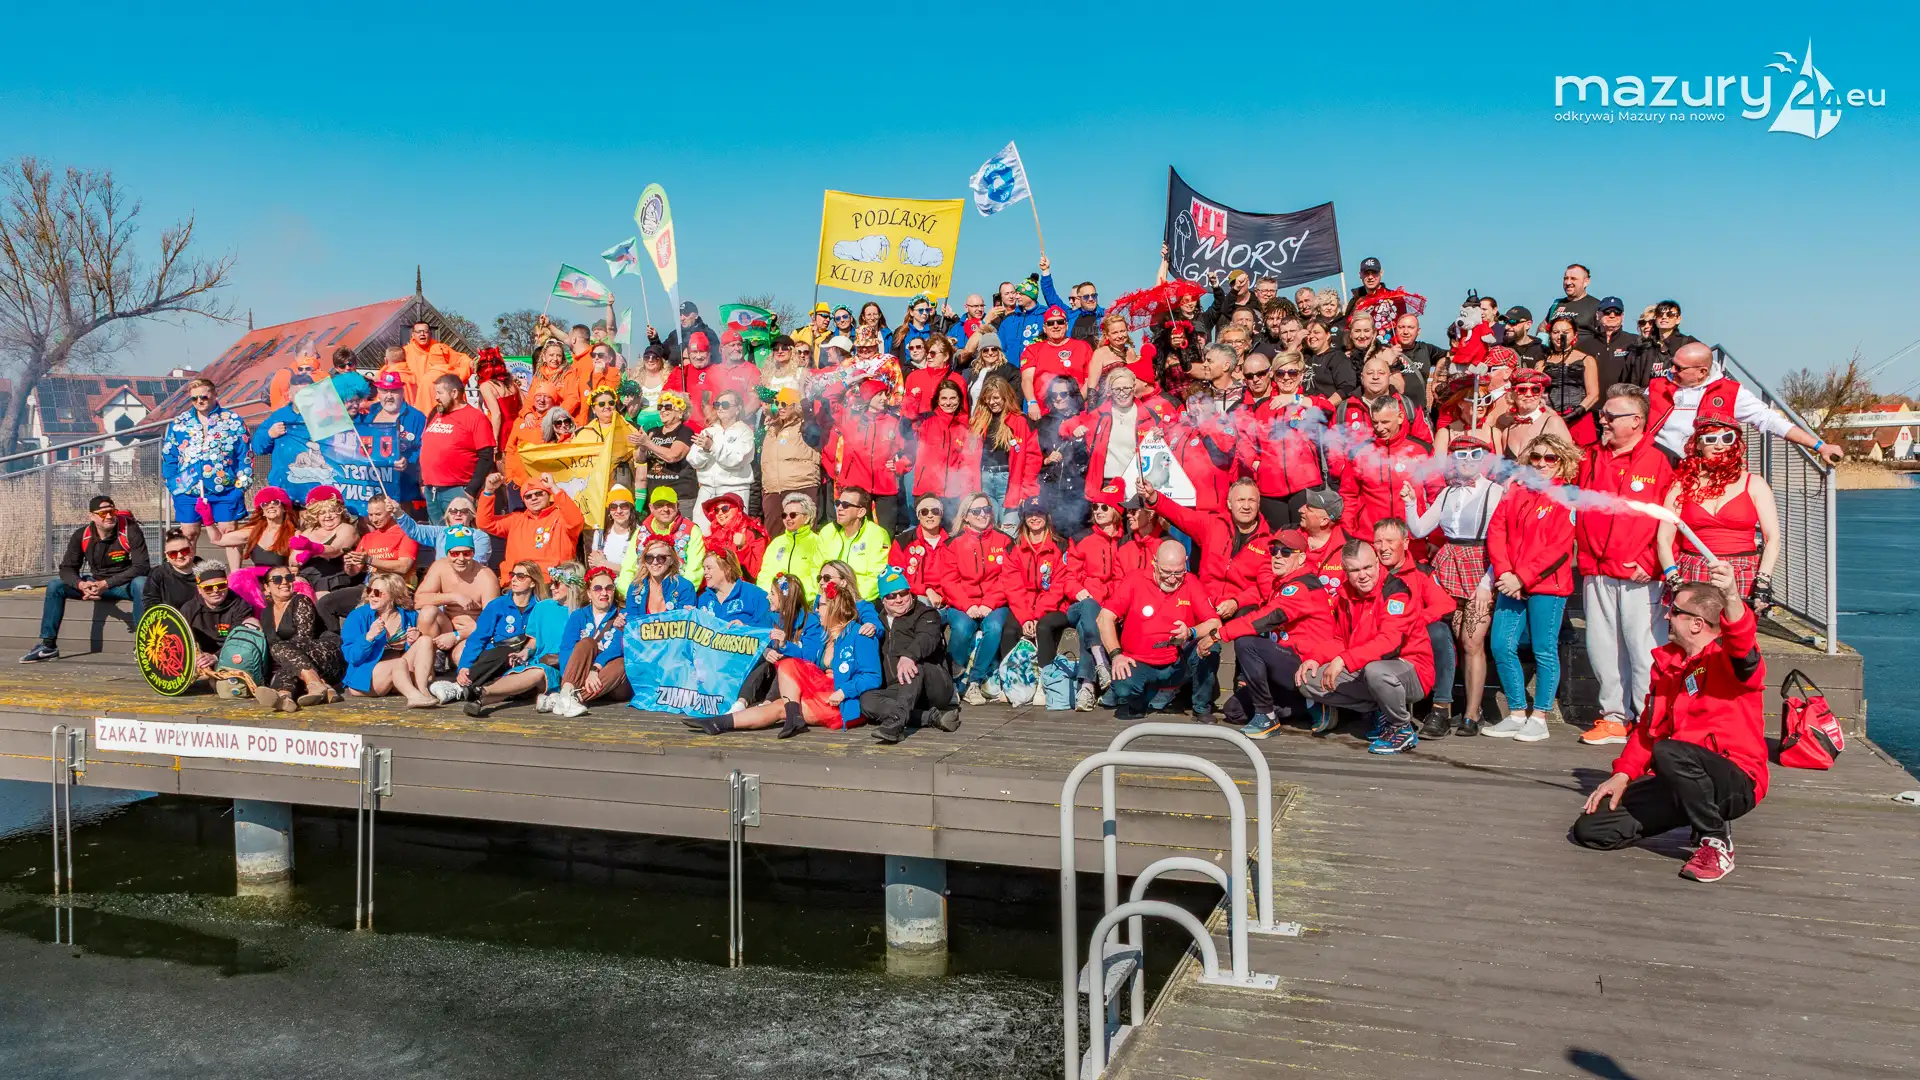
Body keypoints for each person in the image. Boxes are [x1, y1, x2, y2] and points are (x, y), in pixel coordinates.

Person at [1571, 562, 1766, 884]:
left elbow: (1742, 642)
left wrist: (1732, 595)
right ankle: (1696, 812)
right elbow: (1649, 731)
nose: (1666, 616)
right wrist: (1623, 774)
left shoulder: (1727, 660)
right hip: (1680, 776)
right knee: (1592, 829)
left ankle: (1716, 840)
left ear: (1697, 624)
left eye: (1674, 611)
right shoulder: (1668, 665)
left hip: (1736, 780)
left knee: (1671, 751)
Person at [1577, 385, 1675, 747]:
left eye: (1609, 416)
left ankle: (1650, 720)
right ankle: (1614, 718)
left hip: (1639, 573)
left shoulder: (1661, 460)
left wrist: (1653, 562)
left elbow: (1674, 519)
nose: (1602, 420)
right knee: (1602, 648)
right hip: (1596, 569)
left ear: (1636, 421)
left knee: (1643, 649)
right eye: (1601, 414)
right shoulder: (1591, 456)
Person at [683, 576, 882, 739]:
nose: (816, 610)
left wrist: (844, 692)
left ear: (834, 608)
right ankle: (719, 722)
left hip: (840, 702)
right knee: (787, 664)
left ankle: (784, 717)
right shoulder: (826, 635)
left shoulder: (859, 635)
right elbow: (806, 659)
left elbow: (873, 676)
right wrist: (783, 644)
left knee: (780, 707)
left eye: (821, 605)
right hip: (821, 688)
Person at [1144, 478, 1272, 719]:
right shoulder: (1213, 524)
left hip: (1240, 605)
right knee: (1184, 622)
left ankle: (1243, 685)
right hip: (1206, 602)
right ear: (1229, 503)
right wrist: (1154, 498)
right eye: (1241, 500)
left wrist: (1237, 601)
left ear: (1259, 504)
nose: (1246, 506)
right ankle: (1190, 693)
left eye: (1252, 500)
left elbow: (1264, 588)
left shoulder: (1268, 541)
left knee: (1251, 618)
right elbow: (1180, 515)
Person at [1483, 433, 1582, 743]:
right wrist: (1505, 573)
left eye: (1550, 458)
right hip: (1511, 582)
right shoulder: (1516, 491)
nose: (1541, 463)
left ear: (1562, 463)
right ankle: (1516, 713)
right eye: (1536, 457)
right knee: (1501, 645)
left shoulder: (1566, 495)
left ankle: (1539, 717)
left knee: (1543, 650)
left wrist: (1521, 578)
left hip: (1547, 586)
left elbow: (1559, 549)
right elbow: (1496, 531)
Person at [1402, 434, 1503, 736]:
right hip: (1448, 566)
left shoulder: (1494, 491)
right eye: (1460, 455)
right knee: (1447, 636)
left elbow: (1501, 540)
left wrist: (1487, 582)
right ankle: (1443, 707)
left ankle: (1472, 713)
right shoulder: (1447, 493)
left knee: (1471, 642)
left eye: (1474, 455)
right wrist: (1410, 503)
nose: (1467, 461)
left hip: (1481, 564)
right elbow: (1419, 529)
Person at [1294, 541, 1435, 755]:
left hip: (1411, 668)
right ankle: (1381, 709)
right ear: (1345, 571)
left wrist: (1343, 660)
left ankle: (1401, 727)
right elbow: (1341, 640)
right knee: (1308, 680)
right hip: (1366, 666)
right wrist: (1315, 658)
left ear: (1378, 563)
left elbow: (1390, 643)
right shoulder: (1346, 595)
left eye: (1367, 567)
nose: (1363, 575)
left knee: (1376, 671)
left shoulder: (1396, 592)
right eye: (1355, 570)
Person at [1656, 398, 1782, 609]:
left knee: (1738, 629)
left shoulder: (1755, 484)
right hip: (1693, 571)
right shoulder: (1681, 485)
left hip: (1742, 572)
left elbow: (1773, 538)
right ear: (1698, 444)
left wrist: (1763, 582)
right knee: (1694, 630)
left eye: (1726, 438)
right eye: (1710, 439)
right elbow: (1664, 538)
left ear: (1735, 443)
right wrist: (1673, 578)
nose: (1719, 445)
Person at [1218, 531, 1338, 738]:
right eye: (1274, 551)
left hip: (1307, 665)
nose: (1278, 556)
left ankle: (1267, 717)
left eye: (1286, 552)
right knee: (1234, 711)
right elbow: (1256, 593)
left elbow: (1266, 618)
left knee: (1246, 643)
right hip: (1284, 665)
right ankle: (1305, 705)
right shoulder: (1281, 582)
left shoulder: (1302, 586)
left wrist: (1218, 634)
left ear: (1301, 558)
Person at [1648, 342, 1841, 464]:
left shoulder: (1730, 391)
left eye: (1679, 367)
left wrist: (1820, 446)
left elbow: (1770, 420)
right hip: (1659, 466)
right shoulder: (1656, 387)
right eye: (1672, 364)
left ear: (1702, 372)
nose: (1671, 370)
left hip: (1704, 469)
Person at [1098, 539, 1222, 721]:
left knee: (1211, 645)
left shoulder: (1191, 582)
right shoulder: (1135, 580)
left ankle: (1201, 708)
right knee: (1123, 687)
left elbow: (1215, 623)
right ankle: (1138, 704)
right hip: (1139, 661)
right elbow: (1104, 618)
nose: (1172, 579)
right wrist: (1116, 654)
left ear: (1186, 562)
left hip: (1177, 661)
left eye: (1178, 572)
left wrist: (1191, 632)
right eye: (1166, 572)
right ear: (1154, 562)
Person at [23, 495, 152, 663]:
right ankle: (48, 646)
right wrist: (81, 584)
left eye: (112, 511)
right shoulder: (81, 535)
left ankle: (144, 645)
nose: (109, 516)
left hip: (123, 584)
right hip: (94, 583)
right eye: (103, 513)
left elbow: (142, 567)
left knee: (142, 583)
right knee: (55, 585)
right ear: (91, 516)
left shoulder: (130, 530)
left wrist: (106, 584)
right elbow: (67, 569)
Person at [1372, 519, 1459, 738]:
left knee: (1439, 631)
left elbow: (1446, 604)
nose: (1383, 548)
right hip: (1380, 642)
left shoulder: (1421, 573)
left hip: (1414, 645)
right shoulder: (1368, 574)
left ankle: (1441, 710)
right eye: (1378, 542)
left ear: (1405, 543)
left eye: (1390, 541)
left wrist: (1415, 620)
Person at [461, 563, 581, 718]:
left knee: (538, 673)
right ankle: (479, 702)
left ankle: (481, 691)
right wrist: (525, 652)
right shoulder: (543, 607)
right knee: (525, 673)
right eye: (552, 583)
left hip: (563, 667)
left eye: (557, 584)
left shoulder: (581, 612)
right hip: (539, 661)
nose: (552, 588)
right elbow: (534, 640)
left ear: (571, 586)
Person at [862, 566, 961, 744]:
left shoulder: (926, 613)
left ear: (910, 592)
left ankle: (896, 724)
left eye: (903, 593)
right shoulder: (878, 621)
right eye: (892, 596)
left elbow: (927, 637)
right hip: (901, 689)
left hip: (933, 686)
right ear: (883, 600)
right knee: (867, 701)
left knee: (913, 667)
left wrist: (909, 656)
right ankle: (931, 718)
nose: (898, 599)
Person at [934, 491, 1016, 704]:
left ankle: (974, 682)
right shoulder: (953, 544)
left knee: (995, 627)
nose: (983, 514)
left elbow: (1008, 578)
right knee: (962, 628)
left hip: (995, 602)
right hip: (962, 602)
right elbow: (949, 581)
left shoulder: (1005, 541)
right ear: (966, 516)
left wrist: (989, 603)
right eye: (976, 511)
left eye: (987, 509)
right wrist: (967, 605)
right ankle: (953, 680)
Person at [1236, 352, 1333, 529]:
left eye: (1292, 372)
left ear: (1301, 375)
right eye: (1281, 373)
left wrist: (1294, 399)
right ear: (1274, 375)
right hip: (1270, 488)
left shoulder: (1310, 402)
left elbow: (1329, 408)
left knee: (1306, 534)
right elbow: (1245, 441)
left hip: (1306, 484)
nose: (1286, 377)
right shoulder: (1262, 406)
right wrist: (1256, 463)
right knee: (1278, 538)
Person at [1002, 500, 1085, 707]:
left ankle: (1044, 683)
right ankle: (1012, 683)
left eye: (1039, 513)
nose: (1034, 518)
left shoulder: (1061, 545)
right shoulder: (1013, 548)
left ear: (1047, 516)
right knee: (1010, 629)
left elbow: (1059, 585)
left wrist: (1037, 615)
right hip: (1025, 604)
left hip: (1055, 605)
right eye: (1030, 513)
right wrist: (1025, 617)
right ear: (1023, 518)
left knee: (1044, 627)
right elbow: (1013, 586)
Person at [160, 378, 252, 546]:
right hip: (187, 489)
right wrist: (174, 485)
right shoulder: (179, 423)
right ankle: (189, 564)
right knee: (189, 533)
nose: (199, 401)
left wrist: (240, 487)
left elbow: (244, 456)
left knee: (229, 533)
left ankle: (235, 566)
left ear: (215, 394)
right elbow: (169, 456)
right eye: (194, 398)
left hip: (225, 489)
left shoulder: (233, 421)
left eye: (203, 397)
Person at [1338, 396, 1436, 546]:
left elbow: (1436, 495)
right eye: (1375, 422)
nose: (1379, 428)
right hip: (1370, 539)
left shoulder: (1421, 450)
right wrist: (1348, 533)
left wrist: (1436, 538)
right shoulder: (1358, 453)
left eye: (1385, 422)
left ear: (1400, 417)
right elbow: (1348, 495)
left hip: (1412, 540)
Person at [340, 572, 435, 707]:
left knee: (425, 640)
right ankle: (413, 696)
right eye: (369, 590)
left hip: (399, 674)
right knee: (398, 662)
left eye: (377, 592)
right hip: (367, 678)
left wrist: (410, 642)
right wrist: (368, 637)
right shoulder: (358, 616)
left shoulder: (409, 615)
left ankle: (423, 691)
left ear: (393, 594)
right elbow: (352, 657)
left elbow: (411, 653)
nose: (371, 595)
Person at [257, 565, 345, 711]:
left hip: (323, 653)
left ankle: (313, 683)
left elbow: (304, 640)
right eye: (277, 579)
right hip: (299, 664)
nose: (284, 582)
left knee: (280, 649)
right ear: (266, 588)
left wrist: (283, 658)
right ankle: (285, 697)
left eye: (289, 577)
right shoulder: (266, 614)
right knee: (285, 658)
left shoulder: (301, 600)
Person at [420, 374, 496, 523]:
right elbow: (425, 448)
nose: (436, 397)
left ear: (454, 393)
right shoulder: (435, 413)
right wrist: (422, 482)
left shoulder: (476, 417)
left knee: (460, 534)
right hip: (432, 490)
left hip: (458, 489)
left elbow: (486, 457)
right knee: (437, 535)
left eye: (440, 393)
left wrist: (471, 491)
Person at [476, 472, 586, 572]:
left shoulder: (561, 517)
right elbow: (484, 523)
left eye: (539, 493)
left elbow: (576, 521)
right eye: (528, 496)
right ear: (524, 501)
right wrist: (488, 491)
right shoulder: (516, 520)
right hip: (519, 579)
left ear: (549, 494)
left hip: (553, 581)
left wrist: (554, 487)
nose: (534, 498)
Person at [968, 375, 1038, 527]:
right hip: (984, 479)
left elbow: (1032, 458)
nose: (991, 402)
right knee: (987, 528)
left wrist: (1026, 490)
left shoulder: (1020, 421)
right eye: (987, 398)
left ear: (1005, 397)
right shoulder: (978, 421)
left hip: (1009, 482)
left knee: (1009, 528)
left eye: (996, 398)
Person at [413, 525, 499, 646]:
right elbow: (418, 601)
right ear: (447, 553)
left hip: (471, 632)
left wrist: (458, 635)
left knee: (461, 653)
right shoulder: (440, 567)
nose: (461, 558)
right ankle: (433, 652)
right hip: (446, 625)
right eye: (455, 554)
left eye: (467, 553)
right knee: (428, 612)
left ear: (473, 553)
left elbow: (492, 622)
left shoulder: (486, 577)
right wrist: (453, 597)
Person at [910, 378, 979, 520]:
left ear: (960, 400)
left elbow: (966, 465)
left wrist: (966, 494)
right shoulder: (926, 420)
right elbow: (904, 430)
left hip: (952, 496)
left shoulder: (962, 428)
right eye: (944, 398)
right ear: (937, 400)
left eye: (953, 398)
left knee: (950, 532)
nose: (948, 403)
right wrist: (913, 400)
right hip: (926, 491)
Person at [687, 389, 756, 529]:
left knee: (732, 533)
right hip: (707, 491)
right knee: (702, 533)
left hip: (734, 491)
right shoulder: (708, 431)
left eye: (725, 405)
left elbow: (737, 460)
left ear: (738, 409)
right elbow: (693, 460)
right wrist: (706, 451)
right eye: (717, 404)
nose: (720, 408)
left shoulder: (745, 432)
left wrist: (712, 447)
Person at [759, 388, 822, 534]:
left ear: (795, 406)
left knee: (802, 535)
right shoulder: (771, 428)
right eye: (777, 403)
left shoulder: (805, 426)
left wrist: (803, 400)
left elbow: (814, 433)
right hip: (772, 491)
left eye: (784, 404)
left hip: (800, 487)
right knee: (774, 537)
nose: (780, 407)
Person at [814, 486, 892, 601]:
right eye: (837, 503)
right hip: (828, 598)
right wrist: (823, 597)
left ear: (861, 512)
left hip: (860, 601)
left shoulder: (877, 535)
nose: (839, 508)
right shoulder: (827, 532)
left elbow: (876, 577)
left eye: (845, 505)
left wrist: (848, 600)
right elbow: (816, 569)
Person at [381, 320, 474, 413]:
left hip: (439, 399)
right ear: (413, 335)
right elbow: (392, 368)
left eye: (425, 331)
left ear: (430, 333)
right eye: (419, 332)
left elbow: (461, 359)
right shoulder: (405, 352)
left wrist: (472, 363)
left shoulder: (440, 349)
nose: (422, 334)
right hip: (415, 401)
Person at [179, 562, 258, 671]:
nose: (215, 591)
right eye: (208, 588)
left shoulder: (241, 606)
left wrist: (215, 657)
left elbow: (240, 642)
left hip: (232, 655)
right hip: (199, 657)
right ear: (199, 590)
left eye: (221, 586)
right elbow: (180, 639)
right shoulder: (189, 608)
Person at [1538, 315, 1601, 444]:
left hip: (1580, 418)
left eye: (1565, 332)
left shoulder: (1587, 360)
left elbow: (1593, 394)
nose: (1559, 336)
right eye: (1555, 332)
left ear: (1575, 335)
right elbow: (1538, 394)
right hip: (1551, 417)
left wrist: (1575, 414)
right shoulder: (1541, 363)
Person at [1020, 306, 1094, 417]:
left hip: (1077, 414)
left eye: (1060, 322)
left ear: (1066, 325)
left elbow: (1090, 380)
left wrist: (1076, 404)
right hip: (1044, 415)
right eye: (1050, 323)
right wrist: (1032, 402)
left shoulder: (1083, 347)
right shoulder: (1032, 350)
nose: (1055, 326)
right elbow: (1027, 379)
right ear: (1044, 328)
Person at [637, 390, 700, 513]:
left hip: (679, 498)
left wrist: (648, 443)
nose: (662, 410)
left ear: (680, 412)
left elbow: (673, 456)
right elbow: (639, 459)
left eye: (667, 407)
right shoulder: (653, 431)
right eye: (660, 407)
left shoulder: (685, 432)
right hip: (656, 497)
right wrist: (642, 447)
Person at [394, 492, 493, 565]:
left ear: (471, 515)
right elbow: (414, 530)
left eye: (464, 511)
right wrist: (398, 512)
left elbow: (477, 562)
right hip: (443, 577)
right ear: (448, 515)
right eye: (453, 511)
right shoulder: (440, 532)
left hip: (471, 579)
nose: (458, 514)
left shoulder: (480, 536)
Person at [758, 493, 824, 593]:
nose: (788, 518)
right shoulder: (776, 543)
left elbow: (817, 578)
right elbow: (765, 575)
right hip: (775, 598)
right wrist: (772, 594)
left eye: (793, 515)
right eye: (784, 515)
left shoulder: (818, 542)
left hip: (804, 599)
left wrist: (795, 595)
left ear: (806, 518)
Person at [700, 492, 768, 582]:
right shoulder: (713, 537)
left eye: (725, 508)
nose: (720, 513)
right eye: (716, 510)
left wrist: (743, 547)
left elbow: (755, 574)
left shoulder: (753, 533)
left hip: (742, 587)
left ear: (737, 509)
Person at [696, 548, 773, 626]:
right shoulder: (703, 599)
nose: (705, 572)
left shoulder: (756, 595)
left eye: (709, 568)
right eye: (704, 568)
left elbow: (768, 627)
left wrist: (745, 627)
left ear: (727, 569)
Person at [627, 537, 698, 615]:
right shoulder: (636, 587)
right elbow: (632, 619)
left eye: (661, 558)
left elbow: (685, 620)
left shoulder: (684, 587)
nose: (655, 562)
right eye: (649, 557)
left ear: (671, 560)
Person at [1589, 296, 1645, 390]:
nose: (1612, 315)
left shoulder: (1636, 342)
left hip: (1624, 397)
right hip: (1594, 398)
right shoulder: (1584, 345)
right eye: (1607, 312)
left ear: (1622, 316)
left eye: (1617, 312)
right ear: (1598, 315)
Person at [144, 527, 202, 612]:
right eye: (173, 553)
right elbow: (151, 604)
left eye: (184, 551)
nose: (180, 556)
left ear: (192, 549)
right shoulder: (158, 574)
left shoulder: (206, 571)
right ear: (166, 556)